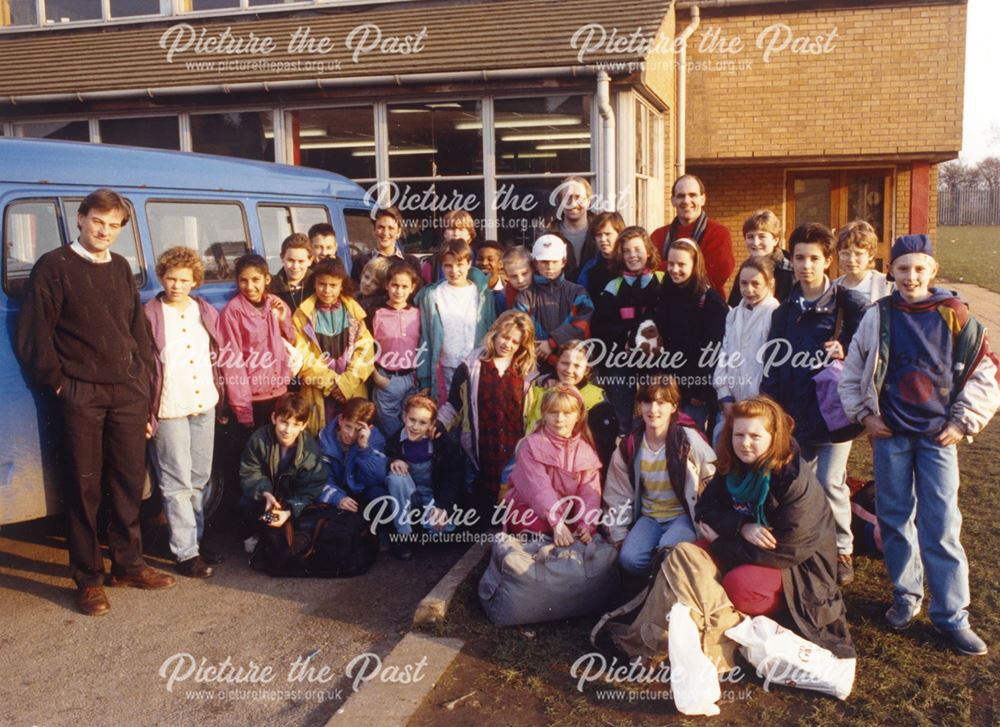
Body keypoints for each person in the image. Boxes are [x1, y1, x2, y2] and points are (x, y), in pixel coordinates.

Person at [15, 188, 175, 615]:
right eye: (97, 221)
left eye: (113, 225)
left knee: (127, 483)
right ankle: (88, 579)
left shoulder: (121, 267)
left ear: (121, 229)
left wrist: (142, 385)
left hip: (126, 394)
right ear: (81, 219)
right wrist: (63, 386)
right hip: (81, 394)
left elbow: (135, 331)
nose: (104, 231)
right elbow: (33, 337)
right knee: (83, 487)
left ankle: (128, 564)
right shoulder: (53, 266)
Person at [839, 234, 1000, 656]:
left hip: (937, 437)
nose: (910, 276)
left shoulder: (956, 315)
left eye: (918, 269)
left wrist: (964, 423)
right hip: (891, 434)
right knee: (894, 518)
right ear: (890, 271)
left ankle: (952, 616)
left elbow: (987, 375)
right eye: (902, 268)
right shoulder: (879, 316)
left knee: (942, 523)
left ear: (932, 270)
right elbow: (853, 368)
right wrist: (864, 414)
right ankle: (905, 597)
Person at [693, 396, 856, 659]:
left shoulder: (792, 479)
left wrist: (722, 544)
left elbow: (787, 549)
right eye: (739, 434)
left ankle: (769, 615)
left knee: (739, 585)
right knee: (695, 553)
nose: (745, 443)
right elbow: (704, 511)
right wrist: (742, 525)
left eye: (755, 436)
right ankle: (712, 614)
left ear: (773, 437)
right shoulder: (732, 465)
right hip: (747, 545)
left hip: (797, 568)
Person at [760, 222, 868, 587]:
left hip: (835, 413)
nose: (807, 265)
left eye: (815, 258)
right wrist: (771, 408)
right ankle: (804, 545)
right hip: (794, 412)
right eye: (800, 257)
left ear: (828, 261)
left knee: (831, 481)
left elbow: (873, 354)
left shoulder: (850, 305)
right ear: (791, 259)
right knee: (795, 482)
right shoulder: (784, 311)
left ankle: (841, 549)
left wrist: (848, 349)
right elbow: (773, 362)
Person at [145, 247, 225, 578]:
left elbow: (219, 355)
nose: (176, 285)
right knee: (175, 482)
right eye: (170, 278)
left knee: (199, 479)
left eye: (184, 280)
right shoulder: (149, 314)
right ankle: (186, 552)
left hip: (203, 403)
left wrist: (222, 398)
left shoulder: (203, 310)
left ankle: (196, 539)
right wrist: (144, 416)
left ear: (195, 281)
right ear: (161, 277)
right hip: (168, 408)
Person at [603, 377, 715, 577]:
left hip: (683, 516)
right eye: (648, 401)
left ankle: (665, 582)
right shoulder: (629, 445)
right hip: (650, 516)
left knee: (668, 551)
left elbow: (712, 479)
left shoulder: (688, 440)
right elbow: (616, 494)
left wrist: (708, 523)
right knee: (630, 560)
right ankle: (654, 580)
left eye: (661, 403)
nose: (653, 409)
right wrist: (619, 536)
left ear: (673, 407)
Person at [439, 311, 537, 520]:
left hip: (513, 453)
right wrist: (439, 424)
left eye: (515, 341)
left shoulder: (529, 372)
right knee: (479, 513)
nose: (507, 344)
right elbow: (455, 405)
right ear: (494, 332)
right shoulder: (470, 366)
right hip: (480, 450)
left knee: (507, 513)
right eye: (504, 336)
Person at [502, 385, 602, 545]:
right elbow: (539, 488)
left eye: (567, 413)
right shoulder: (531, 445)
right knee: (535, 525)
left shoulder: (585, 451)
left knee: (580, 534)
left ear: (578, 416)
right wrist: (556, 523)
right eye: (553, 412)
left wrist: (586, 525)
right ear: (544, 414)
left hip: (565, 514)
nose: (560, 419)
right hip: (533, 509)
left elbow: (589, 495)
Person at [591, 225, 665, 432]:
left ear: (648, 251)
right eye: (626, 251)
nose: (632, 255)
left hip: (656, 358)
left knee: (656, 409)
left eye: (637, 249)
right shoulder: (613, 286)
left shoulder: (661, 281)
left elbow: (668, 320)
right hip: (623, 357)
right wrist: (625, 341)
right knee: (621, 410)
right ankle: (625, 443)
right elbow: (601, 326)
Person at [652, 238, 728, 434]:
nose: (675, 269)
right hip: (670, 384)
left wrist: (700, 389)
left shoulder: (710, 300)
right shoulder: (665, 292)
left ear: (695, 265)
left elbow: (714, 350)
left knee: (692, 439)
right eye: (671, 263)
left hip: (695, 388)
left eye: (682, 264)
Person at [292, 258, 375, 435]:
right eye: (322, 284)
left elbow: (366, 350)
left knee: (351, 435)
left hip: (350, 389)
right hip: (318, 390)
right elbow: (303, 357)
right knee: (321, 438)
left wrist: (346, 383)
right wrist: (331, 383)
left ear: (342, 285)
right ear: (314, 283)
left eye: (333, 285)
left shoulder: (353, 310)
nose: (327, 290)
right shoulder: (302, 314)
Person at [238, 392, 327, 552]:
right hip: (265, 498)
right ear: (274, 418)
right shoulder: (259, 439)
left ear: (304, 425)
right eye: (284, 422)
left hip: (290, 503)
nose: (288, 430)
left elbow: (310, 490)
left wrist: (288, 511)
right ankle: (253, 533)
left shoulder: (310, 449)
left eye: (296, 424)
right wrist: (265, 493)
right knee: (246, 502)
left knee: (287, 533)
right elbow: (250, 472)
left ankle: (277, 533)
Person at [218, 253, 295, 431]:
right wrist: (243, 409)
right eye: (243, 280)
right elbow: (232, 364)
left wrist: (283, 319)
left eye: (255, 280)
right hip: (253, 400)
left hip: (279, 393)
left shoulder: (276, 304)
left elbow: (290, 341)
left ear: (267, 279)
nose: (250, 286)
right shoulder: (233, 312)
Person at [415, 238, 496, 405]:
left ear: (469, 263)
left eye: (459, 264)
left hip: (475, 366)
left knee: (472, 414)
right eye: (448, 265)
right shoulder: (432, 295)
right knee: (448, 414)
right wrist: (425, 380)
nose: (454, 270)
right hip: (445, 367)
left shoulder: (482, 294)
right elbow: (425, 339)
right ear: (441, 266)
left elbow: (492, 330)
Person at [384, 394, 463, 560]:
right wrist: (393, 460)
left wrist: (443, 506)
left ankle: (423, 527)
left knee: (442, 535)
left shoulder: (442, 444)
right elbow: (385, 456)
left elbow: (451, 479)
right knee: (395, 478)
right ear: (404, 416)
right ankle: (403, 535)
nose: (415, 427)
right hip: (409, 497)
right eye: (412, 420)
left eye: (423, 422)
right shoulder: (395, 441)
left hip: (431, 496)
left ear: (432, 424)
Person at [522, 341, 619, 473]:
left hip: (573, 474)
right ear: (557, 363)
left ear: (586, 369)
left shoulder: (597, 400)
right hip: (533, 465)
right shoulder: (539, 389)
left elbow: (603, 451)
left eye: (577, 365)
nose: (569, 370)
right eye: (565, 363)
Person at [714, 256, 780, 443]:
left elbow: (774, 363)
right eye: (744, 283)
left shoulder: (776, 314)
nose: (748, 290)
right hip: (732, 403)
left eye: (755, 284)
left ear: (770, 283)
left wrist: (761, 401)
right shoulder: (734, 314)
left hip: (761, 406)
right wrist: (724, 394)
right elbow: (724, 353)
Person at [514, 234, 594, 371]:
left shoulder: (578, 293)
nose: (550, 266)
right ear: (535, 263)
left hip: (571, 368)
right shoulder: (524, 297)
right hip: (536, 367)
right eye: (544, 261)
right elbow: (520, 332)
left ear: (563, 261)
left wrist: (552, 343)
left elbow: (582, 326)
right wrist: (549, 356)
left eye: (555, 261)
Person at [651, 174, 735, 297]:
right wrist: (694, 266)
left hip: (705, 308)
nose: (686, 201)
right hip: (667, 307)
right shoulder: (658, 236)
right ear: (673, 201)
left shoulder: (718, 233)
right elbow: (650, 273)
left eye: (692, 195)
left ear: (703, 199)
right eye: (680, 196)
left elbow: (716, 276)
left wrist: (665, 266)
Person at [369, 262, 422, 438]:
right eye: (395, 285)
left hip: (412, 378)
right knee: (389, 425)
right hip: (387, 379)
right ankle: (394, 456)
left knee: (412, 422)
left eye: (404, 286)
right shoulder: (377, 313)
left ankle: (409, 459)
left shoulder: (417, 313)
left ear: (412, 288)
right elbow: (365, 347)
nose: (399, 291)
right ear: (387, 285)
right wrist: (376, 375)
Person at [317, 397, 389, 523]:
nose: (351, 434)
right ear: (340, 420)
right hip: (336, 490)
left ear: (369, 428)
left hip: (363, 488)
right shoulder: (325, 440)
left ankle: (379, 537)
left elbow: (378, 477)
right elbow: (319, 479)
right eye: (348, 427)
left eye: (357, 430)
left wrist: (365, 449)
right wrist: (337, 498)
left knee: (381, 499)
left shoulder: (375, 438)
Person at [728, 210, 794, 306]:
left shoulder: (788, 271)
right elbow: (734, 304)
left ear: (775, 240)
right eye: (750, 237)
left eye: (762, 236)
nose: (755, 242)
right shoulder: (746, 268)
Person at [351, 206, 421, 284]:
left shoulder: (411, 263)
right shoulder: (361, 262)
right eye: (381, 227)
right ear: (374, 230)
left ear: (398, 232)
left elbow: (418, 294)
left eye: (391, 228)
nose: (385, 233)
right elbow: (355, 294)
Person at [547, 175, 594, 281]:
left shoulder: (600, 233)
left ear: (588, 201)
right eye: (567, 198)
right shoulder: (550, 236)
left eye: (578, 197)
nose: (572, 203)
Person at [833, 219, 892, 303]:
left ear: (871, 255)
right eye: (845, 253)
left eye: (858, 254)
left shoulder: (888, 286)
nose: (851, 260)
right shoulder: (832, 289)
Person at [578, 211, 625, 302]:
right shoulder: (590, 267)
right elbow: (581, 297)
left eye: (608, 234)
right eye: (599, 235)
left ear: (619, 234)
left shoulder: (628, 264)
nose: (603, 239)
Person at [270, 232, 314, 313]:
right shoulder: (271, 288)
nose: (295, 266)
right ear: (282, 258)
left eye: (301, 261)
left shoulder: (318, 285)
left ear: (310, 261)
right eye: (290, 260)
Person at [495, 245, 533, 315]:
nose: (520, 280)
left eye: (524, 273)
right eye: (513, 276)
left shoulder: (542, 291)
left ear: (533, 269)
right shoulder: (502, 297)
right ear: (507, 276)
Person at [356, 255, 391, 320]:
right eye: (366, 277)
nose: (368, 283)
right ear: (362, 274)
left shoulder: (376, 308)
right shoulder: (355, 296)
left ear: (382, 287)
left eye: (375, 283)